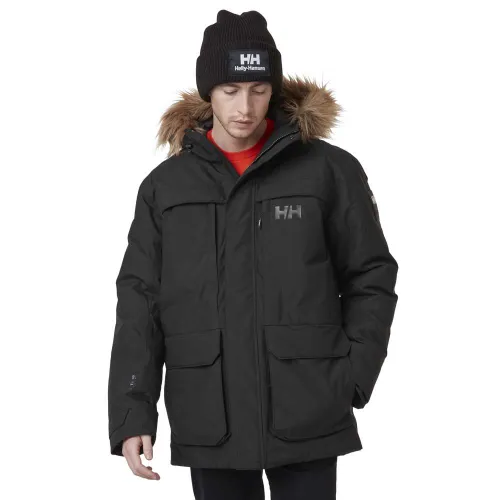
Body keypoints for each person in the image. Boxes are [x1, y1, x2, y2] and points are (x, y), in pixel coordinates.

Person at [108, 9, 399, 499]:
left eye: (259, 89)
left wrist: (351, 376)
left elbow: (370, 275)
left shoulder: (329, 171)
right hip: (209, 415)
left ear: (273, 90)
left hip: (308, 409)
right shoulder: (166, 187)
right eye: (230, 90)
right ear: (208, 91)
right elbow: (140, 299)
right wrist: (132, 410)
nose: (245, 107)